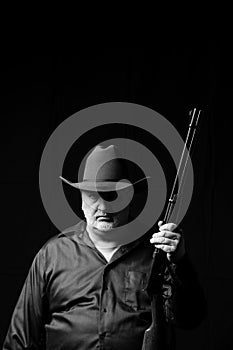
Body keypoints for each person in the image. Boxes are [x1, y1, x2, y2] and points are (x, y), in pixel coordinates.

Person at [3, 145, 206, 350]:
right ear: (81, 198)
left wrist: (180, 261)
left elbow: (190, 319)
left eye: (113, 196)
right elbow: (19, 340)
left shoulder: (158, 254)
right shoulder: (52, 255)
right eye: (92, 195)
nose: (103, 207)